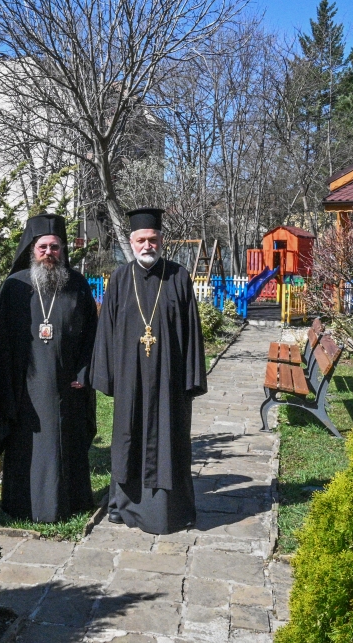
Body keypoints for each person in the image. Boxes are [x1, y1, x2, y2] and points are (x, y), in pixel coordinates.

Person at [89, 208, 207, 534]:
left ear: (161, 240)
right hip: (130, 380)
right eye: (141, 240)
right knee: (129, 438)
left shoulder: (179, 277)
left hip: (169, 382)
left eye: (152, 239)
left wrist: (191, 379)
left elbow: (192, 333)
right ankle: (124, 507)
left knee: (170, 441)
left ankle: (169, 512)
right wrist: (106, 375)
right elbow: (107, 331)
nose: (147, 245)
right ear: (131, 241)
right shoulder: (119, 279)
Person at [0, 214, 99, 523]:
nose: (49, 253)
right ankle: (24, 505)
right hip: (27, 389)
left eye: (55, 247)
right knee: (28, 447)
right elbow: (1, 341)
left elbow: (93, 335)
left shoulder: (77, 285)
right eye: (43, 247)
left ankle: (71, 501)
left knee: (67, 443)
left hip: (67, 385)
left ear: (63, 250)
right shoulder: (15, 286)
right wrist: (9, 383)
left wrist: (84, 373)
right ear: (32, 249)